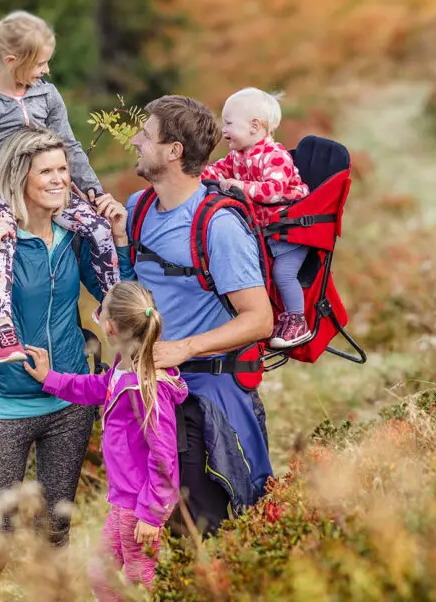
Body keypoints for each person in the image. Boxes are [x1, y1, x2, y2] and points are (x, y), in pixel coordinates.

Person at [0, 129, 135, 602]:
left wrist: (118, 239)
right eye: (47, 172)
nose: (59, 180)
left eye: (63, 170)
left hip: (69, 401)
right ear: (19, 178)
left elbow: (118, 300)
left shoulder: (75, 234)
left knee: (56, 534)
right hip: (4, 407)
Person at [124, 95, 276, 537]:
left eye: (146, 135)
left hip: (208, 400)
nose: (135, 140)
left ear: (173, 151)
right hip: (153, 398)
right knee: (169, 532)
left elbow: (259, 320)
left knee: (208, 534)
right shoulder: (138, 209)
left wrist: (184, 348)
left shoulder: (219, 226)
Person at [0, 10, 118, 364]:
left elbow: (71, 145)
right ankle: (3, 328)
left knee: (99, 229)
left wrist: (94, 191)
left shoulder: (47, 95)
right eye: (40, 63)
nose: (46, 70)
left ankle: (114, 305)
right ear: (13, 61)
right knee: (6, 243)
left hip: (46, 185)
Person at [23, 281, 188, 600]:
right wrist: (51, 380)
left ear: (109, 327)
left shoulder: (144, 386)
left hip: (138, 507)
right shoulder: (122, 370)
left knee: (140, 577)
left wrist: (151, 513)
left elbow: (164, 455)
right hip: (123, 501)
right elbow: (97, 387)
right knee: (103, 577)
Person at [202, 87, 313, 349]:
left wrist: (240, 186)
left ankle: (298, 320)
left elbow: (274, 191)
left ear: (254, 126)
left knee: (283, 273)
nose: (223, 129)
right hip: (266, 233)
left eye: (229, 123)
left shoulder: (275, 156)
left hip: (291, 233)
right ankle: (255, 322)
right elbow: (216, 171)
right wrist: (194, 175)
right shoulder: (237, 157)